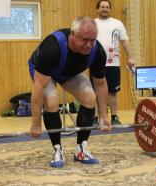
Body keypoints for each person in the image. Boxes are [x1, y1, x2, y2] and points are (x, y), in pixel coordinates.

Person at [28, 16, 111, 168]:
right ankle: (57, 149)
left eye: (92, 40)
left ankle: (81, 149)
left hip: (68, 72)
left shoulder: (97, 51)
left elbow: (100, 84)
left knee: (89, 97)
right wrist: (35, 122)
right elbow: (39, 86)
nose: (88, 45)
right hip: (44, 72)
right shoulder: (52, 47)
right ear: (72, 34)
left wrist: (104, 117)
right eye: (84, 40)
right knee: (52, 101)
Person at [95, 0, 135, 125]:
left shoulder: (117, 24)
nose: (105, 9)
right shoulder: (92, 24)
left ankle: (114, 117)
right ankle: (97, 118)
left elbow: (125, 41)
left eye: (107, 7)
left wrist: (131, 57)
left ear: (109, 9)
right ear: (98, 9)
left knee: (112, 92)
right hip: (96, 63)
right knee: (97, 92)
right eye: (102, 7)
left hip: (113, 64)